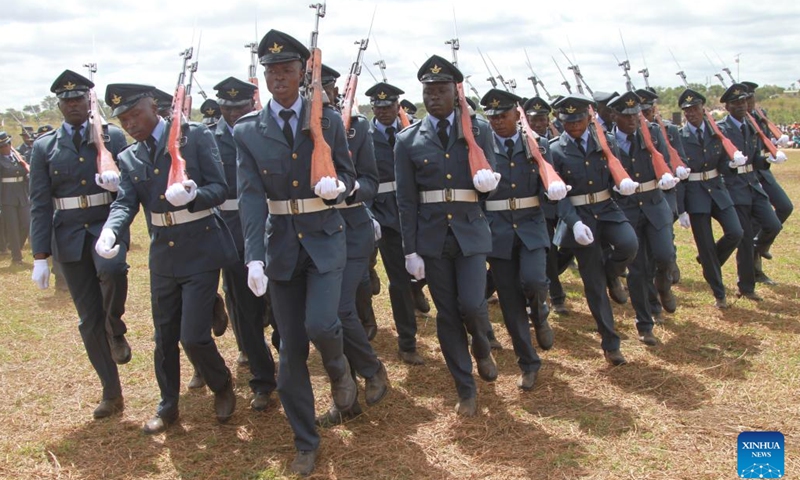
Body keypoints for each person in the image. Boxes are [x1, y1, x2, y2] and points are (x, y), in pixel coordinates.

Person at [233, 29, 357, 477]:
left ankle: (340, 368)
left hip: (325, 237)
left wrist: (339, 187)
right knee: (289, 354)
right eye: (271, 70)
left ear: (303, 72)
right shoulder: (248, 130)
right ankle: (306, 440)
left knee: (323, 323)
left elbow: (351, 174)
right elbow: (249, 197)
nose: (278, 76)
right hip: (280, 245)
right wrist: (253, 256)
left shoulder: (326, 119)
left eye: (286, 68)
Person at [96, 83, 238, 434]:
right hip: (163, 255)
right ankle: (168, 405)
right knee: (164, 337)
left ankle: (221, 384)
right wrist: (111, 230)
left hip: (201, 247)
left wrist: (193, 194)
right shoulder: (130, 156)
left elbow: (220, 189)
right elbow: (125, 202)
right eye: (123, 119)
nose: (129, 124)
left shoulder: (195, 137)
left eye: (134, 114)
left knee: (193, 337)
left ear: (152, 107)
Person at [395, 54, 499, 416]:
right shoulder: (408, 140)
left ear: (456, 92)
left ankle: (482, 345)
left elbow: (492, 179)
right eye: (428, 91)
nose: (433, 97)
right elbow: (406, 200)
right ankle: (465, 387)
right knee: (447, 315)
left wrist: (487, 185)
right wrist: (410, 249)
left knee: (472, 304)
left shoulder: (479, 130)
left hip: (470, 231)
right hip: (433, 237)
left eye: (441, 90)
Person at [29, 69, 131, 419]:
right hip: (69, 234)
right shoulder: (44, 146)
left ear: (90, 101)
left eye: (79, 98)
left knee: (115, 271)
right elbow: (40, 202)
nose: (73, 104)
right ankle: (111, 391)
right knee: (88, 319)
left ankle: (114, 325)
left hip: (106, 224)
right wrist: (40, 255)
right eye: (66, 99)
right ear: (59, 104)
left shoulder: (113, 138)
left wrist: (118, 185)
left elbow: (132, 188)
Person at [315, 64, 390, 427]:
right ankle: (347, 395)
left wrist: (354, 189)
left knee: (340, 310)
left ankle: (372, 370)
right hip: (315, 233)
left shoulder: (358, 129)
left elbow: (372, 180)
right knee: (324, 318)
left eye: (327, 86)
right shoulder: (301, 129)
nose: (322, 92)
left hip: (352, 227)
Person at [479, 89, 568, 389]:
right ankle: (528, 363)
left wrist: (553, 194)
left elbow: (548, 184)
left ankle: (540, 315)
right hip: (498, 230)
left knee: (534, 281)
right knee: (509, 302)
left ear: (517, 115)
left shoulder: (539, 145)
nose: (497, 122)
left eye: (502, 115)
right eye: (491, 116)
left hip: (531, 225)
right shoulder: (480, 148)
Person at [549, 93, 639, 365]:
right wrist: (572, 222)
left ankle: (613, 274)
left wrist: (622, 187)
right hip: (579, 216)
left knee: (629, 245)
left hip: (607, 209)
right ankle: (610, 343)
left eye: (578, 121)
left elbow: (617, 172)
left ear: (589, 118)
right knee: (594, 284)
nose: (573, 126)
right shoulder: (555, 150)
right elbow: (558, 196)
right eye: (567, 122)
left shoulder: (606, 141)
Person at [211, 76, 277, 411]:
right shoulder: (210, 139)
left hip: (275, 227)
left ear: (253, 103)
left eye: (240, 106)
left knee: (281, 305)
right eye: (227, 107)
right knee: (245, 314)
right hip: (233, 235)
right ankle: (263, 380)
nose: (233, 113)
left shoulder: (267, 130)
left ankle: (287, 354)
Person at [608, 91, 678, 345]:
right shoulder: (608, 142)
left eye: (634, 115)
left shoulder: (653, 134)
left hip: (654, 203)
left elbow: (666, 162)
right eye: (625, 116)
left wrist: (667, 176)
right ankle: (645, 322)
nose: (631, 121)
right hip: (628, 207)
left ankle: (664, 287)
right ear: (614, 116)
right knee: (638, 269)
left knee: (665, 255)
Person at [364, 80, 426, 363]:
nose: (383, 111)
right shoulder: (363, 136)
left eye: (388, 106)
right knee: (399, 281)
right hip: (386, 218)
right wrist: (369, 215)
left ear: (397, 106)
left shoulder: (412, 133)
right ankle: (407, 342)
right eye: (378, 107)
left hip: (418, 215)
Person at [676, 88, 743, 308]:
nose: (691, 113)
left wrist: (732, 165)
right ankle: (719, 293)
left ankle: (708, 262)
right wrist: (681, 209)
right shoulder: (680, 136)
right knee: (705, 244)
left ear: (703, 109)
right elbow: (680, 176)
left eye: (695, 108)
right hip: (695, 194)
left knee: (736, 232)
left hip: (717, 189)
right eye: (687, 110)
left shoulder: (715, 133)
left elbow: (722, 162)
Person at [715, 84, 782, 301]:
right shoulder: (721, 129)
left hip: (753, 184)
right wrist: (730, 165)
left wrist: (768, 160)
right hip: (735, 187)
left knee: (773, 224)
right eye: (735, 103)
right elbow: (717, 164)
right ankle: (746, 286)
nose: (741, 106)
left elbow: (754, 159)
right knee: (743, 239)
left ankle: (752, 251)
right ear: (727, 106)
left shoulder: (750, 125)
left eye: (743, 102)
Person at [742, 81, 793, 285]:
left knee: (785, 207)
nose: (748, 103)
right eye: (745, 100)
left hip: (763, 169)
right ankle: (754, 268)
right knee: (757, 218)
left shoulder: (759, 116)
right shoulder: (740, 121)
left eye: (750, 98)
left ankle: (760, 245)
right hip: (749, 173)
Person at [524, 95, 571, 315]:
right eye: (534, 120)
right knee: (549, 252)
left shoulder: (554, 141)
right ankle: (557, 296)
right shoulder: (525, 142)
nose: (539, 124)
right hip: (539, 209)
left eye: (542, 119)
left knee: (568, 248)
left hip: (559, 205)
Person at [0, 132, 30, 264]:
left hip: (22, 194)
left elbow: (26, 174)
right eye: (1, 146)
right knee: (12, 226)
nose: (5, 148)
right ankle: (16, 257)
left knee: (26, 223)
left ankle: (14, 247)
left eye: (6, 144)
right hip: (7, 196)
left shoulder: (19, 157)